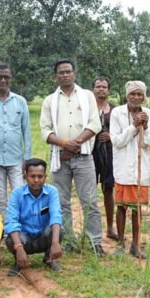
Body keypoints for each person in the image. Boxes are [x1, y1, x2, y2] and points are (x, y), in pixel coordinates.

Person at [39, 59, 105, 255]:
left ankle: (95, 242)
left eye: (68, 71)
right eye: (61, 72)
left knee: (90, 201)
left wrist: (75, 144)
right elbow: (45, 130)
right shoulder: (50, 100)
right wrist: (64, 144)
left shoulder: (87, 96)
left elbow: (95, 124)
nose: (65, 75)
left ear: (74, 74)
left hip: (84, 156)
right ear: (56, 76)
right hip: (60, 157)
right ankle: (67, 241)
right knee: (61, 202)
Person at [110, 81, 150, 258]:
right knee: (121, 207)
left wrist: (144, 128)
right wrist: (133, 127)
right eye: (133, 94)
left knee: (137, 208)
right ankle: (121, 244)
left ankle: (135, 245)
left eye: (140, 94)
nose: (136, 97)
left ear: (144, 96)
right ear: (127, 95)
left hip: (140, 169)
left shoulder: (148, 114)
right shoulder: (117, 113)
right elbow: (116, 141)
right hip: (123, 168)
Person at [0, 63, 32, 216]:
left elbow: (26, 132)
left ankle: (18, 227)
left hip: (16, 159)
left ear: (11, 79)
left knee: (19, 196)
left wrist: (27, 160)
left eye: (6, 77)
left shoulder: (20, 101)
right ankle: (4, 228)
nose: (3, 80)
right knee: (1, 199)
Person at [4, 159, 64, 275]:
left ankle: (49, 258)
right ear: (25, 176)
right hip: (24, 239)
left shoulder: (52, 192)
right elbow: (11, 221)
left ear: (45, 177)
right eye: (32, 176)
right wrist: (19, 247)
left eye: (40, 176)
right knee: (11, 237)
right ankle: (19, 261)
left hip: (43, 237)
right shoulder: (16, 194)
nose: (36, 180)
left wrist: (55, 243)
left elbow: (56, 216)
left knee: (58, 229)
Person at [92, 76, 118, 240]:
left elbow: (121, 129)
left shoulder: (115, 110)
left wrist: (111, 136)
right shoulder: (87, 107)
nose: (101, 89)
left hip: (110, 153)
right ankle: (92, 229)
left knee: (108, 190)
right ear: (93, 89)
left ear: (109, 90)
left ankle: (110, 227)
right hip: (90, 153)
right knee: (90, 191)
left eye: (104, 87)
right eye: (98, 86)